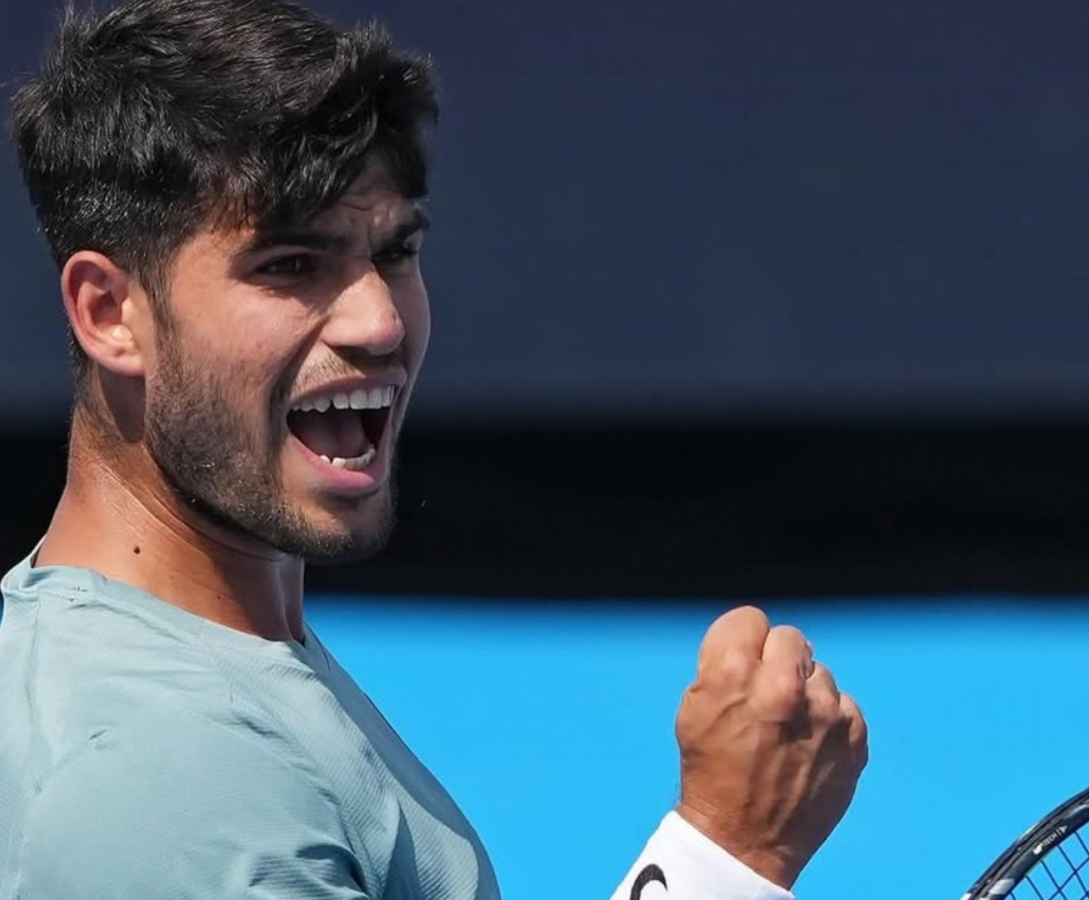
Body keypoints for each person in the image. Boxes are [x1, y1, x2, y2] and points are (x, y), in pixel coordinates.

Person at [0, 1, 868, 897]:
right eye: (291, 263)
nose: (379, 321)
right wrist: (724, 856)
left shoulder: (190, 685)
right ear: (111, 314)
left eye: (395, 250)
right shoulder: (163, 777)